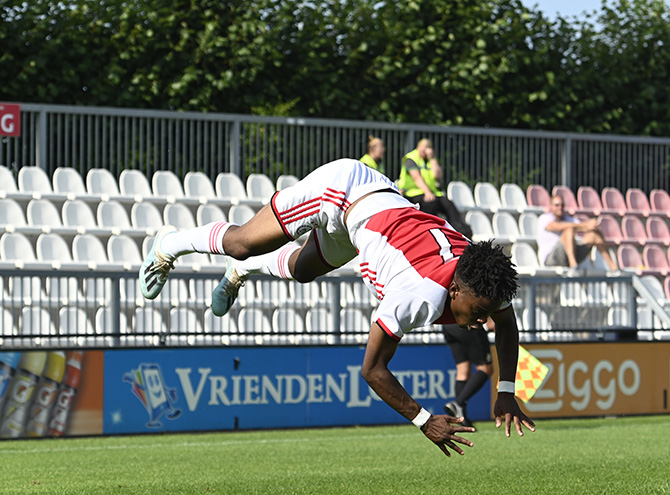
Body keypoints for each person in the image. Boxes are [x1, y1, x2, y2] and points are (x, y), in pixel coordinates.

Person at [138, 158, 534, 456]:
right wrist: (423, 419)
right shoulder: (419, 294)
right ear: (456, 289)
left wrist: (506, 390)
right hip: (342, 190)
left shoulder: (485, 276)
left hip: (369, 217)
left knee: (302, 269)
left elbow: (507, 321)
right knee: (245, 240)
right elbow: (373, 369)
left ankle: (242, 271)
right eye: (478, 310)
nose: (482, 320)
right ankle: (169, 245)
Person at [399, 138, 472, 237]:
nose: (425, 151)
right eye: (424, 148)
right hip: (413, 193)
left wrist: (432, 158)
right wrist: (427, 192)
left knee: (448, 204)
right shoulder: (411, 158)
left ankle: (461, 231)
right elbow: (417, 178)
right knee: (431, 204)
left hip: (432, 193)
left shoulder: (430, 160)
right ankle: (433, 233)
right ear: (418, 147)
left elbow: (437, 175)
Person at [537, 194, 618, 273]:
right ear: (551, 206)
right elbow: (559, 226)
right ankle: (574, 267)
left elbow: (582, 227)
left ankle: (614, 268)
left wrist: (592, 226)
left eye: (562, 205)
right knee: (569, 230)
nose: (560, 207)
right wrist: (586, 225)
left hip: (569, 254)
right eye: (556, 205)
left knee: (594, 235)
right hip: (552, 258)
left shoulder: (570, 219)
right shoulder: (544, 218)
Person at [442, 322, 493, 429]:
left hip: (448, 326)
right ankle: (458, 403)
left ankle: (461, 417)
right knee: (486, 369)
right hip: (469, 324)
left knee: (462, 370)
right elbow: (491, 325)